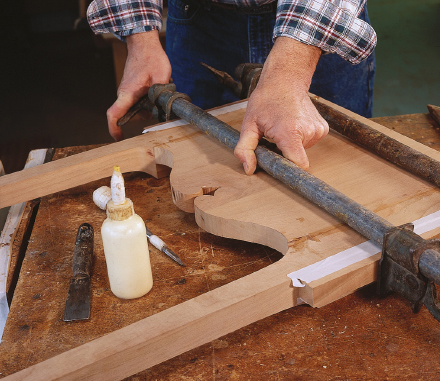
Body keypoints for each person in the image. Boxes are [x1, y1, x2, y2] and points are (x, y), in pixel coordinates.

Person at [87, 0, 376, 175]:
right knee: (207, 167)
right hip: (199, 20)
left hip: (320, 21)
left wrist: (291, 71)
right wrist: (140, 37)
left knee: (345, 171)